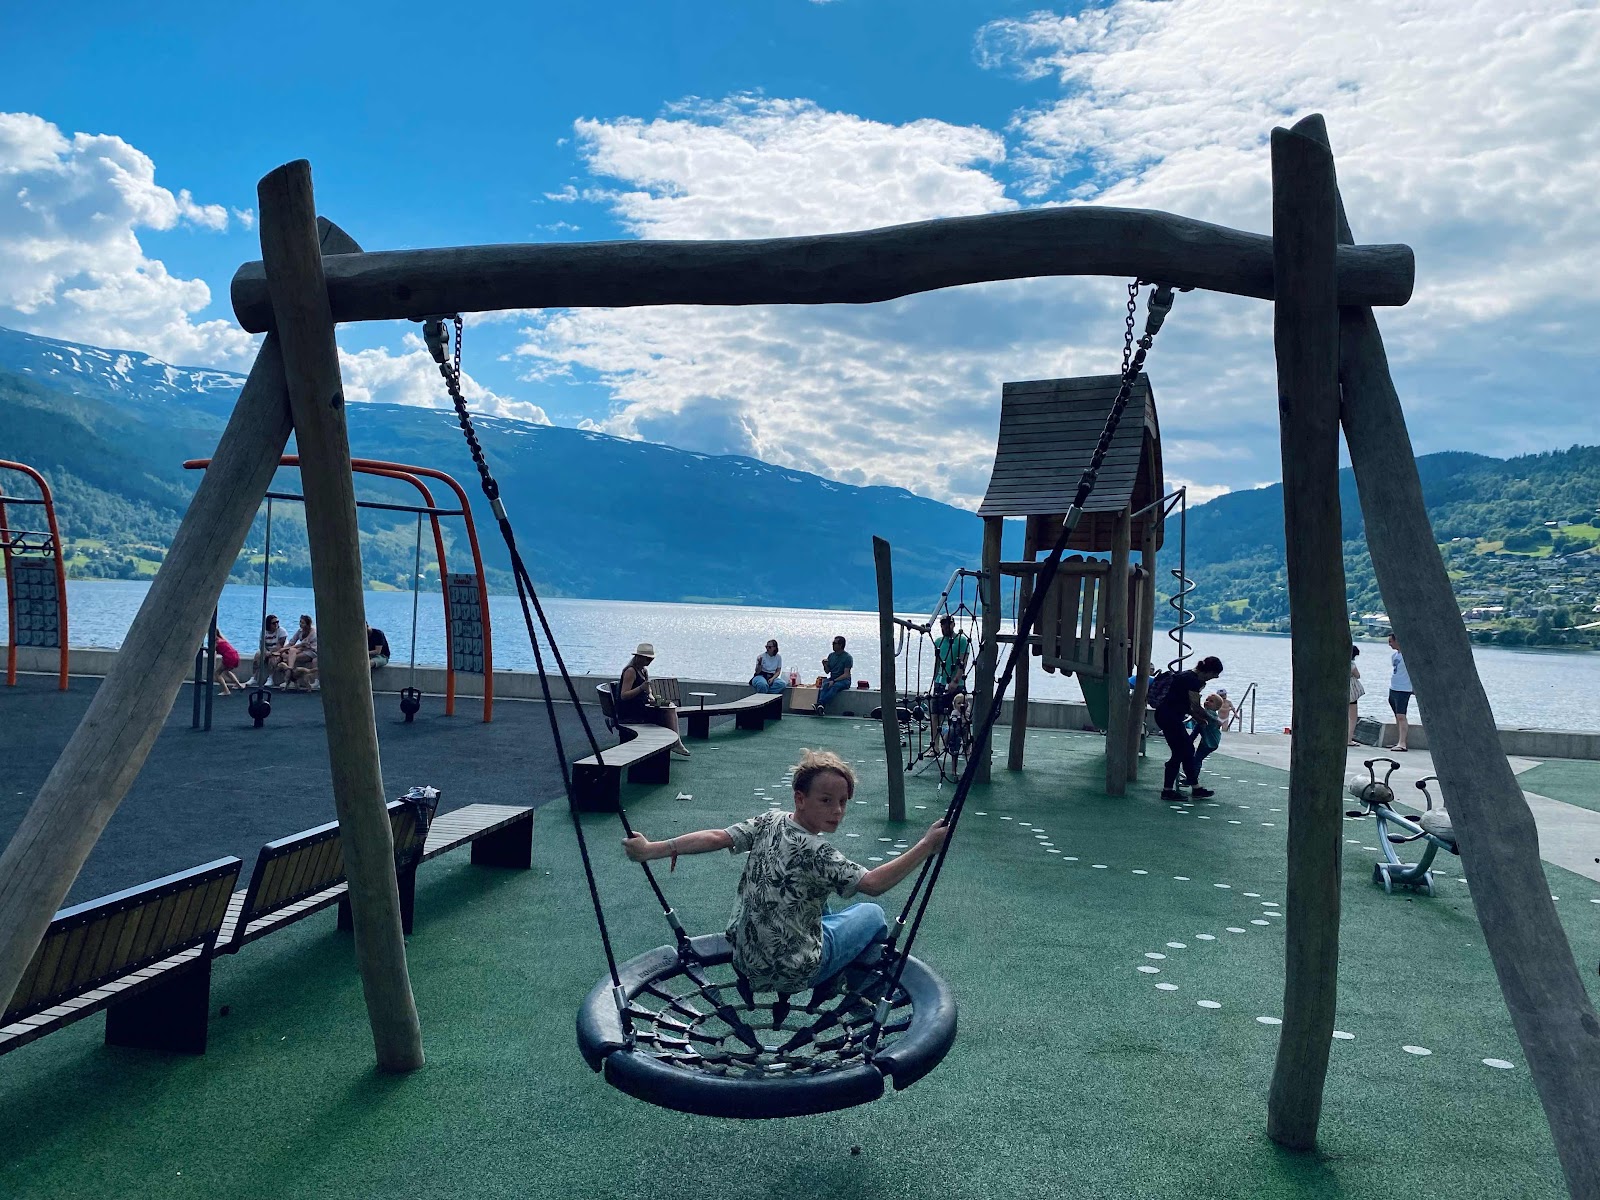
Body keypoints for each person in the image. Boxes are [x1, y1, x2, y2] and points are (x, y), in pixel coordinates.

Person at [621, 749, 948, 994]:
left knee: (817, 897)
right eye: (826, 800)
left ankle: (837, 972)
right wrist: (926, 845)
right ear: (800, 798)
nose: (837, 810)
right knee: (872, 914)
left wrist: (652, 849)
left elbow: (718, 837)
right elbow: (873, 884)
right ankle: (856, 988)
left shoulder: (771, 820)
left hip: (745, 959)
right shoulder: (819, 852)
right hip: (795, 971)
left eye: (843, 801)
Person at [1154, 655, 1223, 801]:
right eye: (1214, 674)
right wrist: (1213, 719)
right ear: (1208, 671)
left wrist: (1198, 718)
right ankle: (1167, 790)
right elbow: (1196, 706)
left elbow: (1185, 704)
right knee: (1179, 752)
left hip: (1167, 716)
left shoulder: (1186, 676)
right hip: (1170, 718)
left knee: (1187, 750)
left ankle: (1195, 787)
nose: (1215, 677)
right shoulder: (1192, 681)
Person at [616, 642, 690, 757]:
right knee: (667, 712)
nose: (649, 661)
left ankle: (674, 742)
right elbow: (624, 695)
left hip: (642, 706)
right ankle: (674, 743)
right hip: (632, 711)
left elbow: (648, 692)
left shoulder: (643, 671)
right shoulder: (630, 671)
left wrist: (652, 698)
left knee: (669, 707)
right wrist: (641, 688)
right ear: (639, 657)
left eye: (651, 659)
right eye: (647, 659)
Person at [930, 615, 971, 751]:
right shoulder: (938, 641)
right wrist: (934, 680)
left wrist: (955, 681)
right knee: (935, 714)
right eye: (943, 624)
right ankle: (935, 746)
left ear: (953, 624)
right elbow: (937, 663)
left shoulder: (962, 640)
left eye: (948, 624)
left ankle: (966, 746)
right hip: (940, 682)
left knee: (961, 716)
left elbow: (963, 662)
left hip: (957, 684)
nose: (945, 627)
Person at [245, 614, 288, 687]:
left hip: (279, 651)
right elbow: (261, 645)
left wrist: (271, 653)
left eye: (277, 622)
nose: (276, 624)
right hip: (267, 650)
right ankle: (254, 677)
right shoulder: (263, 631)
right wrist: (265, 652)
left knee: (273, 659)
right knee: (258, 655)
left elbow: (280, 646)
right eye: (274, 623)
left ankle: (270, 678)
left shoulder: (282, 631)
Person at [1386, 633, 1412, 751]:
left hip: (1404, 688)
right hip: (1394, 687)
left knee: (1401, 715)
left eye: (1391, 641)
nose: (1389, 644)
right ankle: (1399, 741)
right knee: (1397, 716)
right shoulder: (1394, 656)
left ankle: (1402, 743)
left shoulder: (1408, 656)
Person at [276, 614, 317, 686]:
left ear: (308, 624)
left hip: (312, 651)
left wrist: (284, 649)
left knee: (291, 656)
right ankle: (290, 671)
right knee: (291, 652)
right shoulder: (300, 631)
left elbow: (302, 644)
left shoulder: (312, 631)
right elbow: (292, 642)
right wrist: (283, 650)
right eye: (300, 622)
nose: (300, 624)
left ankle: (289, 676)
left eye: (303, 623)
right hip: (303, 649)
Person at [815, 636, 853, 713]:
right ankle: (820, 706)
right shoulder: (831, 656)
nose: (832, 645)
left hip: (844, 680)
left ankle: (821, 704)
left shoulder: (847, 657)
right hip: (833, 678)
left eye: (834, 643)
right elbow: (827, 671)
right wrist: (825, 665)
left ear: (840, 645)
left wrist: (834, 681)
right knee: (825, 684)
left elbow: (846, 674)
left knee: (835, 686)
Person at [213, 630, 244, 695]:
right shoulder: (222, 639)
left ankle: (226, 690)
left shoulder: (215, 642)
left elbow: (212, 653)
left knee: (217, 674)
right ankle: (239, 685)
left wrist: (214, 665)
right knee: (226, 671)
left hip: (229, 657)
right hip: (235, 655)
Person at [1348, 644, 1365, 745]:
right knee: (1353, 717)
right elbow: (1358, 676)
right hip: (1351, 692)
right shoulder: (1352, 665)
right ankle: (1349, 739)